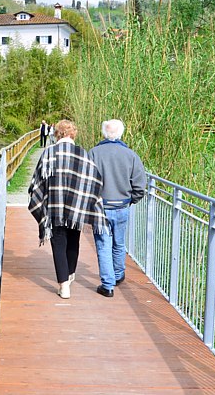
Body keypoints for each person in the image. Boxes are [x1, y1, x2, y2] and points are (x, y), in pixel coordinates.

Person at [28, 119, 107, 299]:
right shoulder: (82, 154)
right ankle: (70, 274)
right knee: (73, 240)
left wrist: (37, 195)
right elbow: (94, 180)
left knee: (58, 242)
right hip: (76, 208)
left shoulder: (49, 152)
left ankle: (64, 286)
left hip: (55, 207)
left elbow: (37, 181)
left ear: (57, 134)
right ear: (73, 134)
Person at [88, 119, 146, 298]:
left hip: (101, 206)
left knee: (103, 244)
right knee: (119, 243)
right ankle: (119, 274)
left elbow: (86, 182)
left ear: (104, 133)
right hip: (122, 206)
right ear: (121, 133)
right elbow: (139, 185)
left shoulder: (93, 153)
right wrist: (131, 200)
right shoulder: (130, 155)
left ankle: (108, 284)